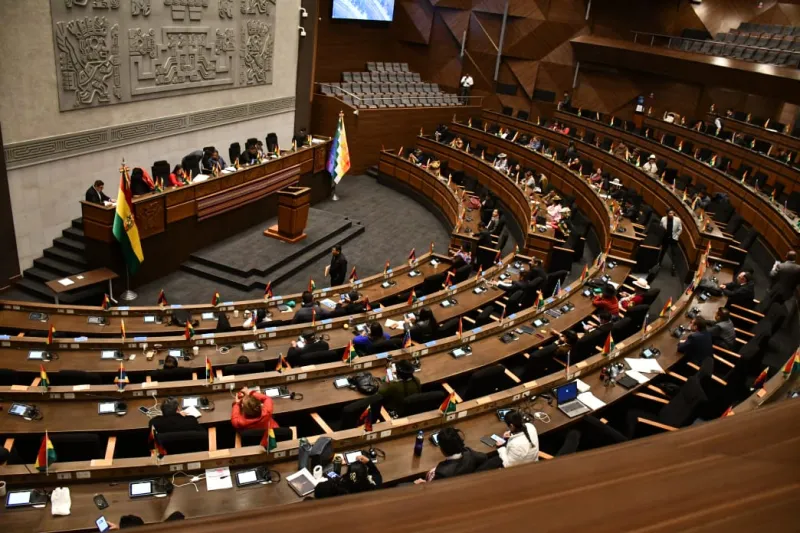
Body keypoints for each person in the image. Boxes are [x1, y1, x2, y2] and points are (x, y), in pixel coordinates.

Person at [416, 427, 488, 483]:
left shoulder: (442, 472)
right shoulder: (469, 453)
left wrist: (424, 483)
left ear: (442, 450)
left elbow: (433, 488)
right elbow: (484, 457)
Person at [314, 455, 382, 499]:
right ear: (366, 476)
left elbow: (318, 490)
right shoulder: (374, 486)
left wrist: (333, 481)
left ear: (347, 475)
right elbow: (377, 474)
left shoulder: (337, 488)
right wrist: (368, 462)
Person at [658, 209, 682, 275]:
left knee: (674, 253)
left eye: (672, 213)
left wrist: (676, 235)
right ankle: (659, 263)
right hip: (665, 238)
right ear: (667, 214)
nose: (671, 214)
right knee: (663, 251)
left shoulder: (677, 220)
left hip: (673, 238)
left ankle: (673, 267)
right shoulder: (663, 219)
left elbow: (680, 229)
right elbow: (660, 227)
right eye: (670, 213)